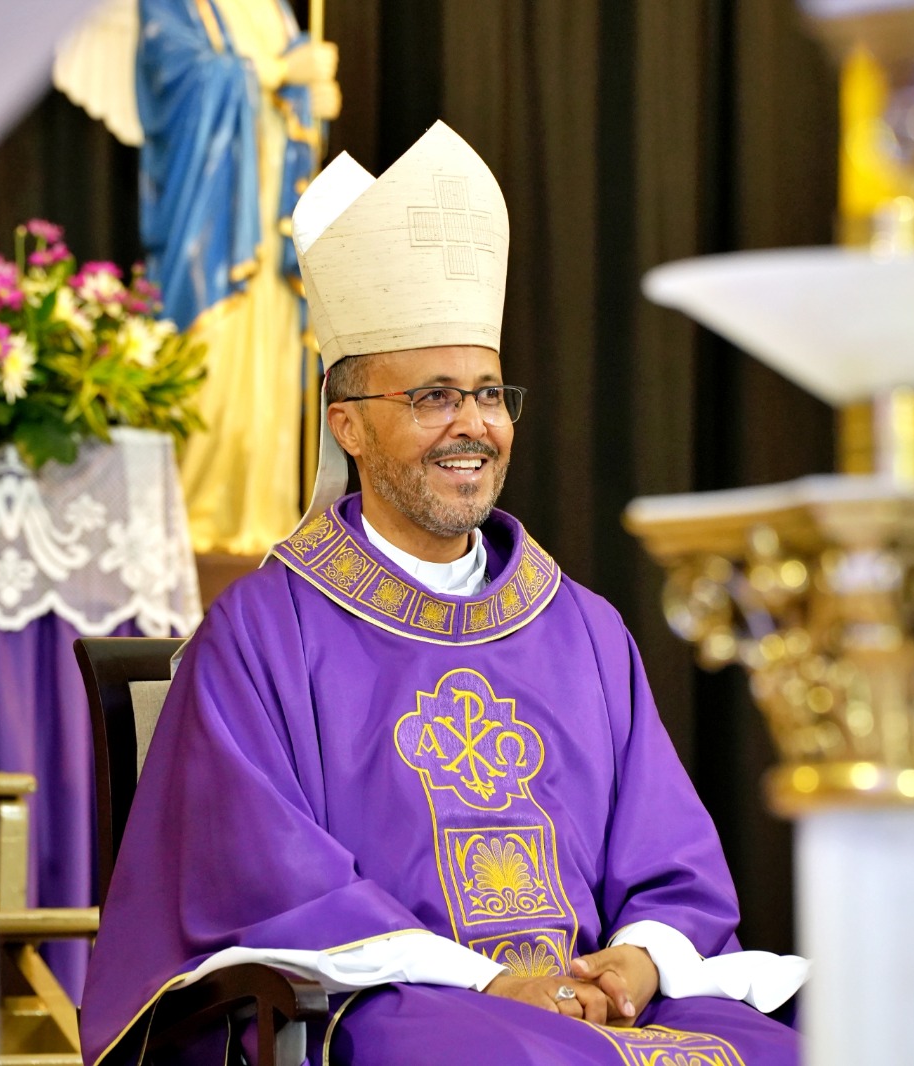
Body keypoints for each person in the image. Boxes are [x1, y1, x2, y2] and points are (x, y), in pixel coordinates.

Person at [80, 122, 807, 1066]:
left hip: (596, 997)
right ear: (348, 424)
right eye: (432, 397)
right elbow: (264, 881)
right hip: (387, 1000)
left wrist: (632, 964)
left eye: (491, 394)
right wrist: (493, 982)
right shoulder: (266, 631)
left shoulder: (583, 627)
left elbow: (671, 862)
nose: (473, 425)